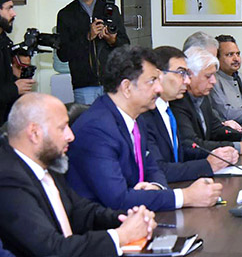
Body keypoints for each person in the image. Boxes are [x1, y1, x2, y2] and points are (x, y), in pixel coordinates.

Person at [66, 45, 223, 212]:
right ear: (127, 87)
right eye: (152, 81)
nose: (159, 88)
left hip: (139, 215)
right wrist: (185, 197)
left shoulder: (136, 119)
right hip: (105, 227)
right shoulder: (97, 129)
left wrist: (156, 187)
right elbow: (118, 199)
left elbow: (152, 167)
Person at [0, 93, 156, 257]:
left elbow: (83, 213)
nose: (71, 136)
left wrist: (130, 219)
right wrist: (121, 236)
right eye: (62, 128)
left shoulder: (47, 162)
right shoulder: (8, 179)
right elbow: (51, 250)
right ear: (34, 133)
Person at [142, 46, 239, 182]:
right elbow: (158, 169)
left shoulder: (167, 109)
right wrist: (208, 165)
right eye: (181, 73)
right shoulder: (145, 114)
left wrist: (219, 154)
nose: (187, 81)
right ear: (159, 75)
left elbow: (183, 151)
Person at [170, 47, 242, 154]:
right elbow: (192, 145)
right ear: (190, 75)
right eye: (208, 76)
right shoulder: (178, 102)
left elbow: (217, 130)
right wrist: (241, 147)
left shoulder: (202, 96)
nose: (213, 81)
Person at [56, 0, 130, 105]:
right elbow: (63, 54)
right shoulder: (66, 14)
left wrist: (112, 40)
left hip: (111, 82)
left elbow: (125, 45)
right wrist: (87, 37)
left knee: (113, 124)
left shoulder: (110, 9)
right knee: (88, 124)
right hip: (84, 85)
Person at [0, 0, 34, 124]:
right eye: (9, 8)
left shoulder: (5, 41)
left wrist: (18, 74)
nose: (14, 13)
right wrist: (15, 88)